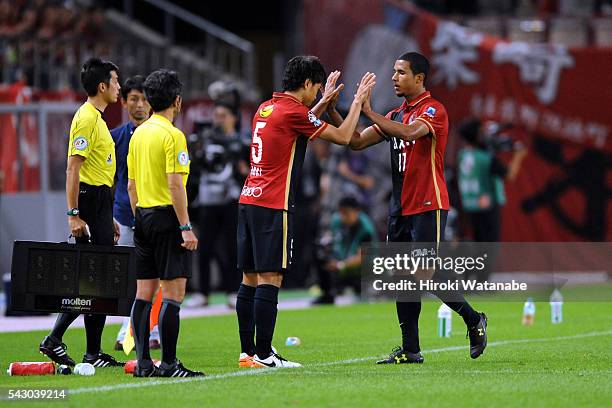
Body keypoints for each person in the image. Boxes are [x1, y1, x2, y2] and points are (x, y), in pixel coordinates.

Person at [334, 52, 488, 363]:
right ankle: (411, 349)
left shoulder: (433, 110)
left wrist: (369, 111)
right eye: (393, 71)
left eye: (401, 72)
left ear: (419, 78)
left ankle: (474, 319)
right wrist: (337, 110)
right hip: (399, 208)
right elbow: (356, 142)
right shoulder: (395, 114)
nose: (394, 77)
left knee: (425, 273)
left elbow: (408, 133)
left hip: (428, 204)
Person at [235, 55, 375, 368]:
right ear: (308, 83)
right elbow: (342, 137)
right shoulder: (293, 112)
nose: (316, 93)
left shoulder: (267, 108)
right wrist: (357, 102)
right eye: (316, 88)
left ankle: (247, 353)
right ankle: (265, 355)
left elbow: (297, 123)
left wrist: (324, 101)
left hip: (248, 199)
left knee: (249, 278)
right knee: (270, 277)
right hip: (274, 203)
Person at [38, 57, 124, 368]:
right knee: (93, 280)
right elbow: (72, 168)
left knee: (98, 280)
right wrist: (74, 214)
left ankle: (92, 353)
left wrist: (107, 215)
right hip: (88, 201)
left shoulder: (97, 119)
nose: (118, 87)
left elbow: (95, 170)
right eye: (115, 82)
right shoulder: (86, 118)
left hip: (99, 202)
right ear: (102, 86)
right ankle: (54, 338)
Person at [127, 69, 203, 377]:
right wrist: (185, 226)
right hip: (166, 217)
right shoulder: (173, 135)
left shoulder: (140, 133)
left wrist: (139, 219)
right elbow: (176, 185)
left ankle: (144, 363)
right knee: (173, 294)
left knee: (144, 294)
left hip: (143, 215)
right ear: (177, 101)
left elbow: (131, 185)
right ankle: (169, 363)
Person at [110, 75, 162, 351]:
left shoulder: (160, 135)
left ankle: (137, 332)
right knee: (134, 279)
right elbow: (108, 179)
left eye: (144, 99)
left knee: (151, 278)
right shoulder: (115, 138)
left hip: (152, 215)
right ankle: (137, 331)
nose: (140, 104)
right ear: (125, 102)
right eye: (134, 99)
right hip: (125, 218)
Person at [185, 102, 248, 309]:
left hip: (230, 199)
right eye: (217, 116)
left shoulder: (241, 141)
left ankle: (232, 290)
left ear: (234, 118)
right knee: (205, 247)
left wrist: (241, 168)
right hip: (208, 200)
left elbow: (248, 170)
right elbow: (195, 166)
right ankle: (202, 292)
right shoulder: (206, 138)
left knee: (231, 247)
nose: (219, 120)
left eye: (224, 115)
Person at [457, 118, 527, 242]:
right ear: (478, 135)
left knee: (476, 244)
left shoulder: (463, 154)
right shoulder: (486, 159)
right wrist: (518, 156)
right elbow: (509, 175)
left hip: (469, 205)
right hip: (487, 208)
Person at [315, 196, 376, 303]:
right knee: (320, 255)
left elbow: (362, 257)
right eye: (341, 213)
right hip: (342, 261)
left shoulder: (366, 228)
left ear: (357, 211)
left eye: (346, 213)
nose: (343, 217)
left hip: (364, 269)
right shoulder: (336, 221)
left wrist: (340, 265)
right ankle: (327, 294)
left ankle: (367, 289)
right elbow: (334, 241)